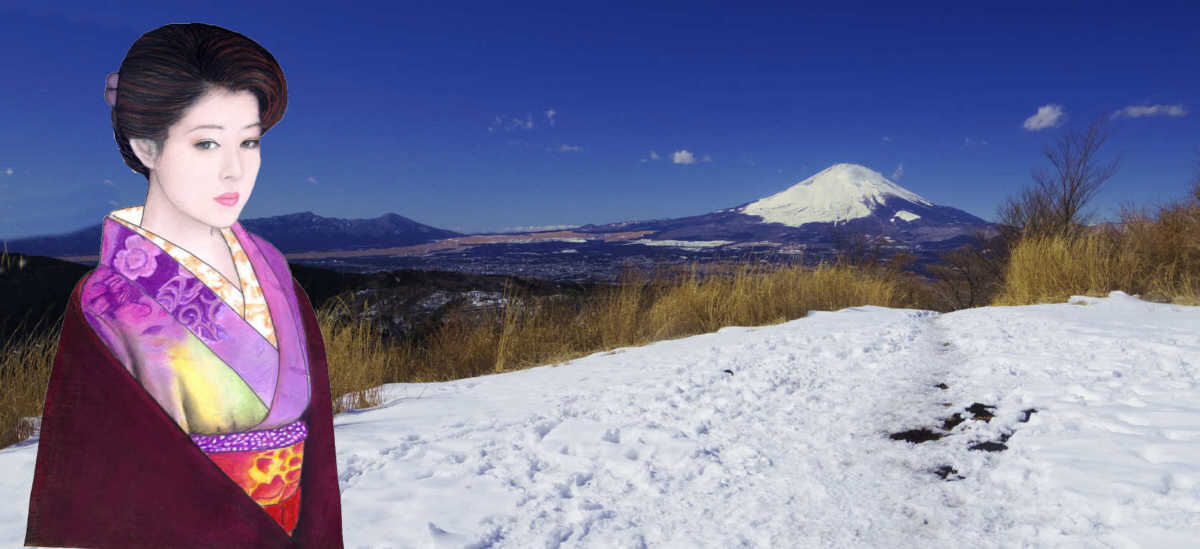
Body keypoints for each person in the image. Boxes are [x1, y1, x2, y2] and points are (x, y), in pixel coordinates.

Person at [25, 23, 344, 548]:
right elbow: (94, 488)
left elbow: (317, 451)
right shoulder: (107, 303)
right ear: (146, 146)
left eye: (249, 142)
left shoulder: (272, 270)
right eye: (206, 143)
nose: (234, 170)